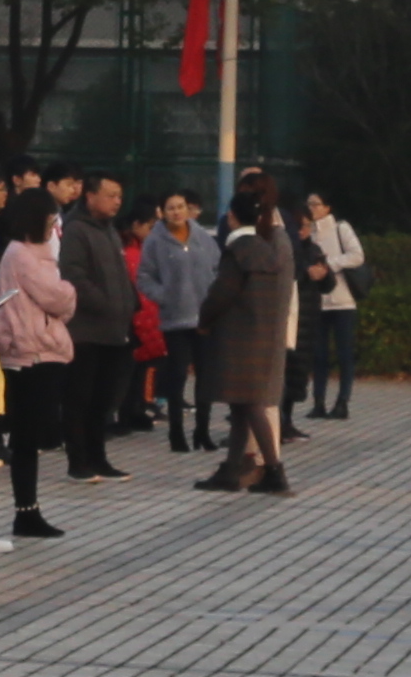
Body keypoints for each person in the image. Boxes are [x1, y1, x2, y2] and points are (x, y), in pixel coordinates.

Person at [0, 187, 79, 542]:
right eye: (51, 218)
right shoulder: (22, 255)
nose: (55, 225)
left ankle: (29, 510)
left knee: (30, 438)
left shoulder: (36, 254)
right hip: (29, 354)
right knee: (27, 436)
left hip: (40, 350)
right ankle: (25, 511)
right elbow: (57, 297)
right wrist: (70, 292)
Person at [201, 182, 297, 495]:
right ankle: (230, 470)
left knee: (252, 404)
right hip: (265, 335)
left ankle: (274, 471)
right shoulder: (272, 248)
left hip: (238, 337)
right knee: (242, 403)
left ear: (231, 216)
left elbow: (222, 294)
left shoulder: (238, 251)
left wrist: (204, 319)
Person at [53, 175, 137, 477]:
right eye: (111, 195)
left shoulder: (110, 231)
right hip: (86, 331)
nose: (117, 201)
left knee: (104, 399)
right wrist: (105, 303)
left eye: (119, 196)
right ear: (90, 196)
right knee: (80, 398)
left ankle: (98, 456)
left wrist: (129, 302)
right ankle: (78, 461)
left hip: (115, 330)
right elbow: (74, 275)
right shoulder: (77, 230)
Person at [136, 190, 218, 455]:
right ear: (162, 212)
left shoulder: (203, 237)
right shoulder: (155, 241)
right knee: (178, 376)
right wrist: (164, 296)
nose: (177, 212)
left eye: (181, 207)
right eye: (170, 208)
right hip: (175, 320)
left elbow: (218, 269)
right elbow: (144, 277)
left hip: (204, 318)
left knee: (206, 377)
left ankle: (202, 431)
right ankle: (176, 433)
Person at [298, 186, 366, 419]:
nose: (312, 208)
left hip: (343, 302)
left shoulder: (340, 228)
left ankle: (342, 402)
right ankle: (318, 402)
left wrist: (329, 265)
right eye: (309, 204)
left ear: (327, 207)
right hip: (318, 302)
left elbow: (357, 255)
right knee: (318, 355)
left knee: (344, 354)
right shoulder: (308, 232)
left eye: (316, 204)